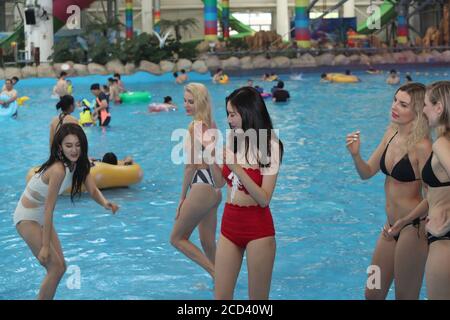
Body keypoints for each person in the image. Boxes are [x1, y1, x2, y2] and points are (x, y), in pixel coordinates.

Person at [13, 123, 118, 299]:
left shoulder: (80, 164)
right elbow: (49, 208)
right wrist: (45, 247)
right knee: (54, 268)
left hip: (41, 216)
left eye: (77, 145)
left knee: (61, 267)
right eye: (68, 145)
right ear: (60, 147)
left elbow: (92, 190)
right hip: (27, 217)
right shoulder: (58, 170)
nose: (74, 150)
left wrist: (106, 203)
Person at [346, 83, 432, 299]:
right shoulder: (390, 133)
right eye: (395, 100)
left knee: (404, 296)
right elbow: (366, 173)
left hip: (413, 228)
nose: (394, 106)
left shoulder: (423, 146)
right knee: (372, 292)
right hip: (390, 227)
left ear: (419, 110)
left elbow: (433, 197)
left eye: (403, 104)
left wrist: (403, 222)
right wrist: (356, 155)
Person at [208, 86, 283, 299]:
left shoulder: (271, 146)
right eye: (227, 114)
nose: (229, 120)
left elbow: (264, 198)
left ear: (248, 112)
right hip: (229, 224)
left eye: (233, 114)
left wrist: (237, 168)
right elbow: (220, 183)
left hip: (258, 229)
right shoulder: (234, 140)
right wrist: (212, 156)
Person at [389, 81, 450, 299]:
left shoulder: (441, 144)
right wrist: (405, 220)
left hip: (443, 241)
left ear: (439, 108)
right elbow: (436, 195)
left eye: (425, 105)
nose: (422, 110)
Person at [170, 83, 222, 279]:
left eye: (191, 101)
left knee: (176, 238)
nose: (186, 105)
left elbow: (190, 167)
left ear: (200, 102)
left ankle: (215, 273)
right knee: (208, 243)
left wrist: (182, 198)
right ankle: (223, 283)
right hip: (214, 191)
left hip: (201, 187)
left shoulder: (196, 126)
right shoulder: (211, 123)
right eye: (184, 101)